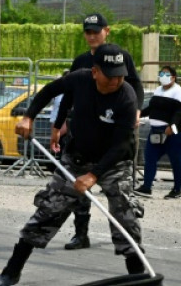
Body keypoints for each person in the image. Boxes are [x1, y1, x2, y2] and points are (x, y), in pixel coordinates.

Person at [0, 44, 145, 286]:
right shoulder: (80, 79)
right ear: (95, 71)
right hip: (77, 158)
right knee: (49, 209)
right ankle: (11, 271)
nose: (116, 80)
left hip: (113, 162)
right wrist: (28, 116)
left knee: (124, 213)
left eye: (120, 74)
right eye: (110, 74)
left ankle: (139, 276)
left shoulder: (127, 97)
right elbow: (48, 91)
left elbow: (121, 146)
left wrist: (94, 176)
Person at [56, 13, 144, 251]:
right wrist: (60, 124)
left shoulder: (120, 56)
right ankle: (80, 234)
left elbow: (135, 84)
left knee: (117, 189)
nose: (92, 36)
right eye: (88, 32)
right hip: (84, 135)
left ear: (107, 31)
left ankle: (126, 239)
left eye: (96, 31)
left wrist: (136, 110)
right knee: (79, 187)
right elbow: (68, 94)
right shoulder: (81, 61)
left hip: (113, 132)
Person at [135, 65, 181, 199]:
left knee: (176, 161)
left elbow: (180, 112)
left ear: (173, 77)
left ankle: (177, 189)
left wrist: (172, 126)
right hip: (156, 132)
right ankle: (146, 187)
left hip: (175, 133)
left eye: (166, 74)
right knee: (150, 158)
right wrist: (138, 114)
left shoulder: (179, 92)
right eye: (161, 73)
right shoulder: (158, 90)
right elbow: (152, 108)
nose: (163, 76)